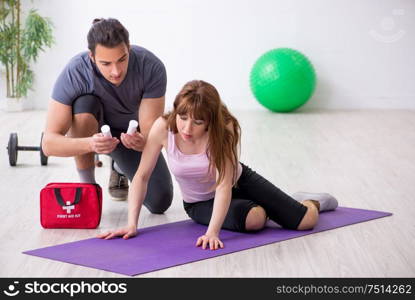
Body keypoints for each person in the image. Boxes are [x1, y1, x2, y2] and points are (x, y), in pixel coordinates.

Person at [98, 80, 338, 250]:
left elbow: (224, 185)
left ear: (210, 121)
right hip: (200, 202)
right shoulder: (164, 127)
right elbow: (141, 177)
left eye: (198, 121)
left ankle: (307, 201)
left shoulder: (225, 129)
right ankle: (273, 207)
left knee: (306, 221)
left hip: (239, 181)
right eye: (183, 118)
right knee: (255, 218)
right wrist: (132, 224)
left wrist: (212, 232)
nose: (187, 128)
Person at [42, 18, 173, 213]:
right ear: (92, 58)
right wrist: (90, 144)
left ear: (128, 48)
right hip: (92, 133)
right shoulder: (75, 71)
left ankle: (119, 166)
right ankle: (89, 189)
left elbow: (150, 135)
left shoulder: (151, 67)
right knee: (84, 102)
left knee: (160, 201)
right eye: (106, 63)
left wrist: (142, 141)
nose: (116, 71)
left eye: (122, 59)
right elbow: (48, 144)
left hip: (128, 136)